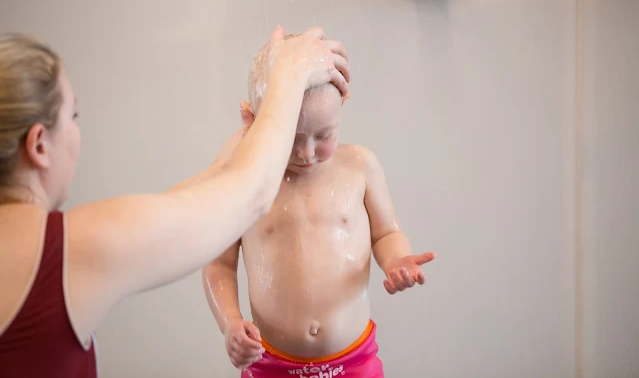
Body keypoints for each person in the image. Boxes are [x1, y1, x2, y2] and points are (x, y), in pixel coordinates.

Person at [0, 26, 351, 378]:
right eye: (72, 117)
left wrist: (247, 142)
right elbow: (254, 193)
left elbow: (178, 205)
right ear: (40, 145)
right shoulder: (67, 250)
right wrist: (286, 79)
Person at [202, 34, 436, 378]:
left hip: (354, 360)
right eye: (290, 138)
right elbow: (218, 264)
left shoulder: (360, 166)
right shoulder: (246, 182)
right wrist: (231, 323)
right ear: (253, 119)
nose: (307, 153)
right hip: (270, 364)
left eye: (324, 135)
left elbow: (386, 232)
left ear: (343, 101)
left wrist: (397, 259)